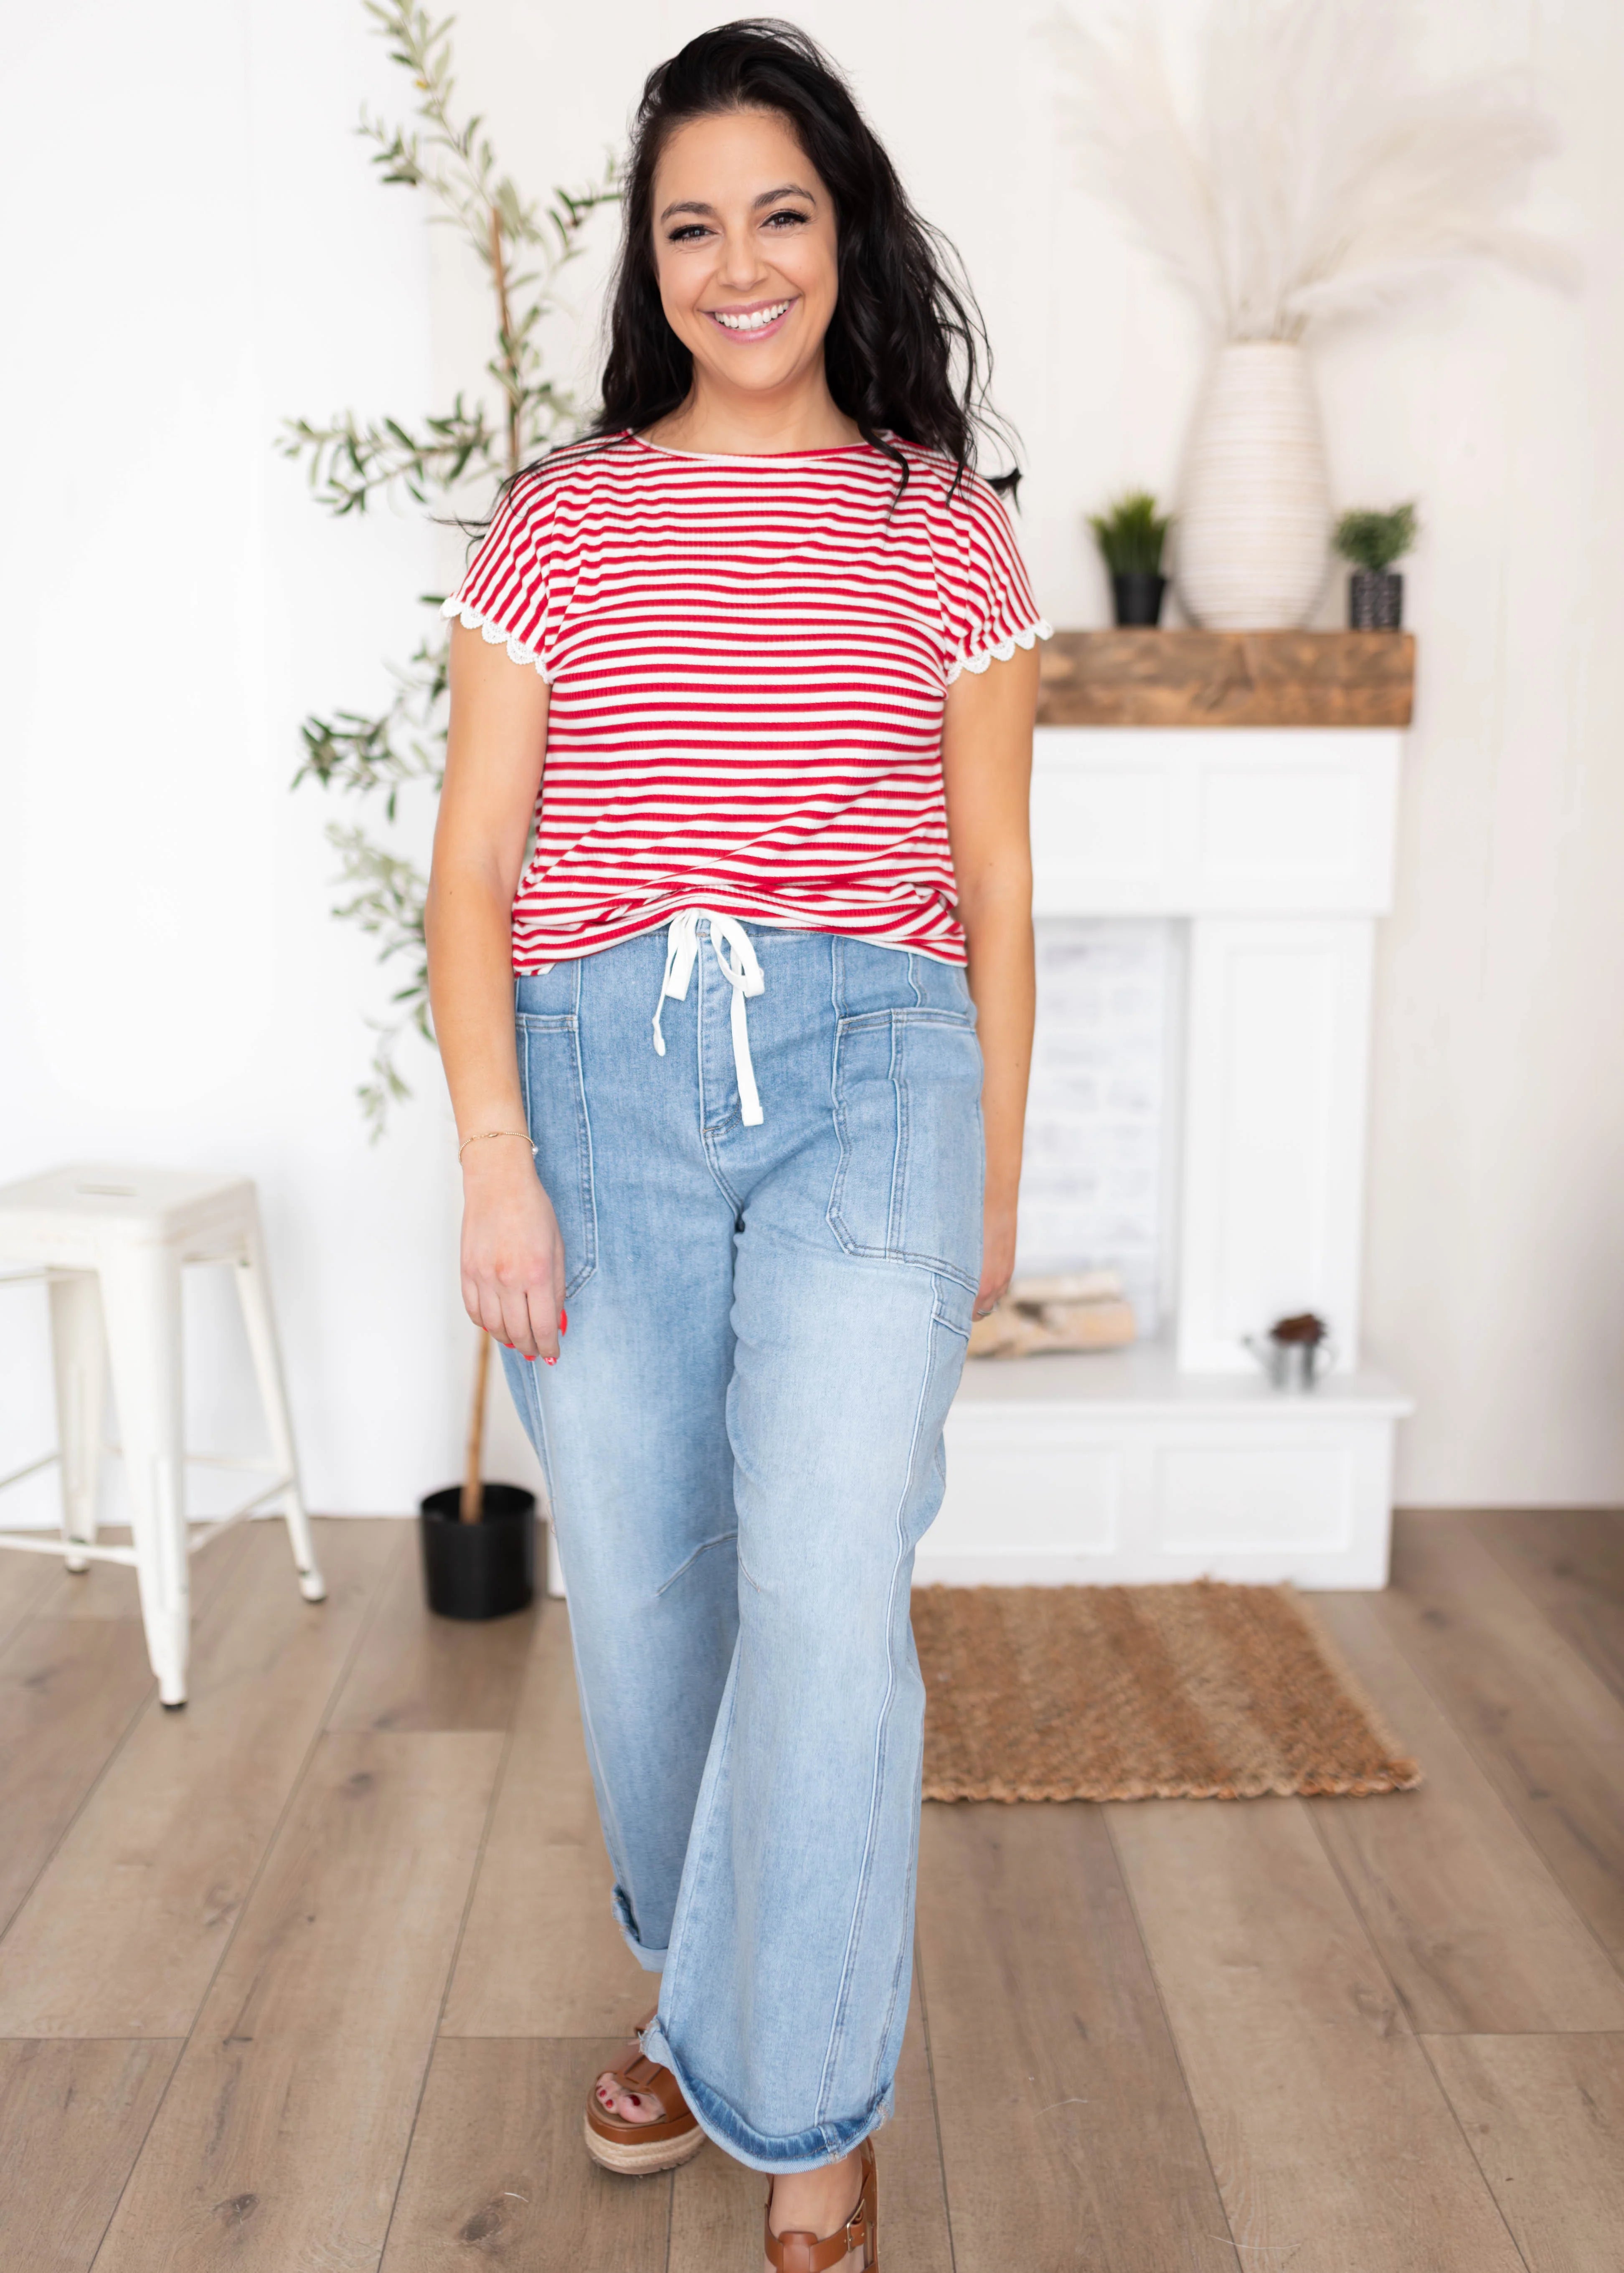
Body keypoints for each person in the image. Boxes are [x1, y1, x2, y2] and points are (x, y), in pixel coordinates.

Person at [425, 21, 1045, 2270]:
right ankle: (702, 1993)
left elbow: (998, 886)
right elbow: (470, 873)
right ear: (654, 264)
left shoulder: (944, 528)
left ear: (844, 230)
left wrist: (992, 1178)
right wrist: (496, 1155)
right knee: (649, 1580)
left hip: (876, 1069)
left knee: (827, 1580)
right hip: (598, 1079)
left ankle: (805, 2098)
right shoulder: (558, 526)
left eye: (780, 212)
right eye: (692, 226)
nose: (740, 263)